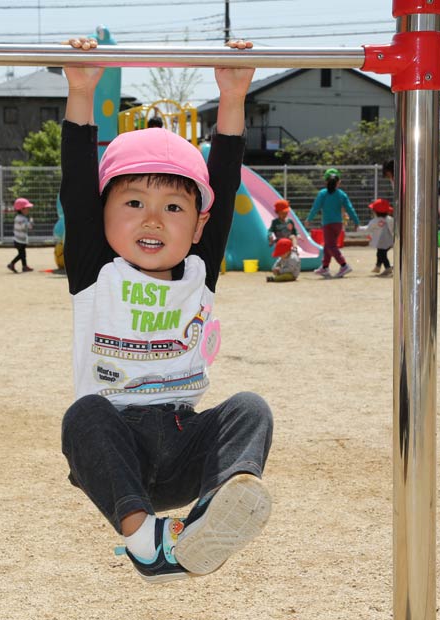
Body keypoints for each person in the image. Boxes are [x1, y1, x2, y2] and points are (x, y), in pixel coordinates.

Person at [59, 37, 272, 584]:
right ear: (102, 213)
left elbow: (221, 182)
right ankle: (144, 540)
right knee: (83, 414)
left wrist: (232, 98)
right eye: (133, 203)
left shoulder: (200, 268)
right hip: (115, 448)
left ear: (199, 226)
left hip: (185, 442)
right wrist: (80, 91)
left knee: (250, 406)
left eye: (174, 207)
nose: (153, 220)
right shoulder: (96, 272)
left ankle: (211, 512)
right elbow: (77, 182)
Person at [305, 168, 360, 278]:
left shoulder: (322, 193)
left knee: (331, 246)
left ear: (325, 181)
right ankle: (325, 267)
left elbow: (315, 208)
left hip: (328, 224)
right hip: (338, 224)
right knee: (328, 245)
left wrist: (309, 219)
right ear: (339, 182)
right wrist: (356, 221)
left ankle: (344, 265)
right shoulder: (342, 194)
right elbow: (350, 208)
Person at [365, 198, 395, 277]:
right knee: (380, 253)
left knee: (382, 254)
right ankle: (378, 266)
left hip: (381, 242)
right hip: (390, 240)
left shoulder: (375, 221)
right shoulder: (390, 219)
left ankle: (387, 267)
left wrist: (358, 228)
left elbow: (368, 228)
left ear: (375, 212)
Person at [7, 197, 35, 273]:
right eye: (27, 208)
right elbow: (25, 226)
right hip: (19, 240)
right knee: (21, 254)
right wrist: (31, 223)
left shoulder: (19, 217)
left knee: (23, 254)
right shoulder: (21, 218)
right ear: (22, 209)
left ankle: (24, 266)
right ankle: (11, 263)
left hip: (19, 240)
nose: (28, 210)